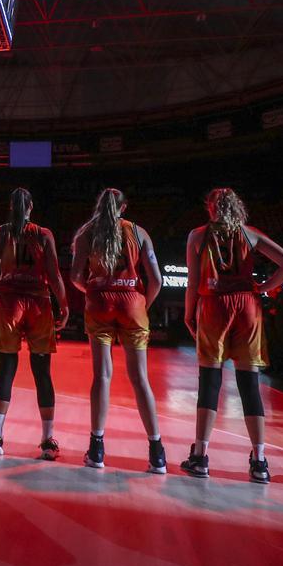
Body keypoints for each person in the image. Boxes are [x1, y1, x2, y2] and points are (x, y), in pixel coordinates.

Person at [180, 189, 283, 482]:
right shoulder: (249, 233)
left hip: (213, 304)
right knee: (249, 384)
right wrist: (264, 286)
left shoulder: (197, 235)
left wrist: (188, 313)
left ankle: (200, 457)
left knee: (209, 381)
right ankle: (259, 461)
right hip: (246, 305)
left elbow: (193, 281)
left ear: (210, 207)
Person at [70, 188, 166, 474]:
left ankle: (97, 449)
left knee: (102, 376)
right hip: (132, 305)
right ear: (124, 208)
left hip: (100, 301)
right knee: (140, 379)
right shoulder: (139, 232)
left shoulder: (86, 233)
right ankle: (157, 452)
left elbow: (75, 276)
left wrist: (96, 290)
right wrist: (141, 303)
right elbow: (157, 280)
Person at [0, 188, 70, 460]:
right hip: (38, 303)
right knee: (42, 373)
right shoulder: (43, 234)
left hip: (8, 303)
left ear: (11, 207)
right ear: (30, 207)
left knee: (6, 370)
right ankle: (47, 441)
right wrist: (64, 304)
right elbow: (54, 275)